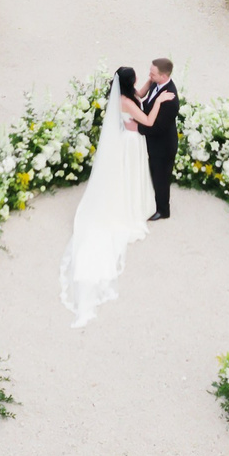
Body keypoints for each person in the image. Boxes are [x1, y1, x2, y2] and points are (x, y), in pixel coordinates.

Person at [59, 65, 155, 327]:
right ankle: (133, 207)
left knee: (130, 176)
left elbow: (141, 94)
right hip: (133, 141)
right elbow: (147, 120)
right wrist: (161, 103)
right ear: (127, 82)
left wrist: (148, 81)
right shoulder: (126, 102)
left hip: (129, 140)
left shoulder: (125, 96)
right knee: (133, 175)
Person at [137, 57, 178, 221]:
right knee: (154, 173)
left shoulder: (171, 101)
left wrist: (138, 127)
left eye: (152, 74)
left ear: (164, 76)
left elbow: (157, 127)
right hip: (155, 142)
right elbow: (143, 96)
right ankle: (153, 201)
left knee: (161, 176)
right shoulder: (156, 82)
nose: (149, 75)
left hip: (163, 145)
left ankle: (163, 210)